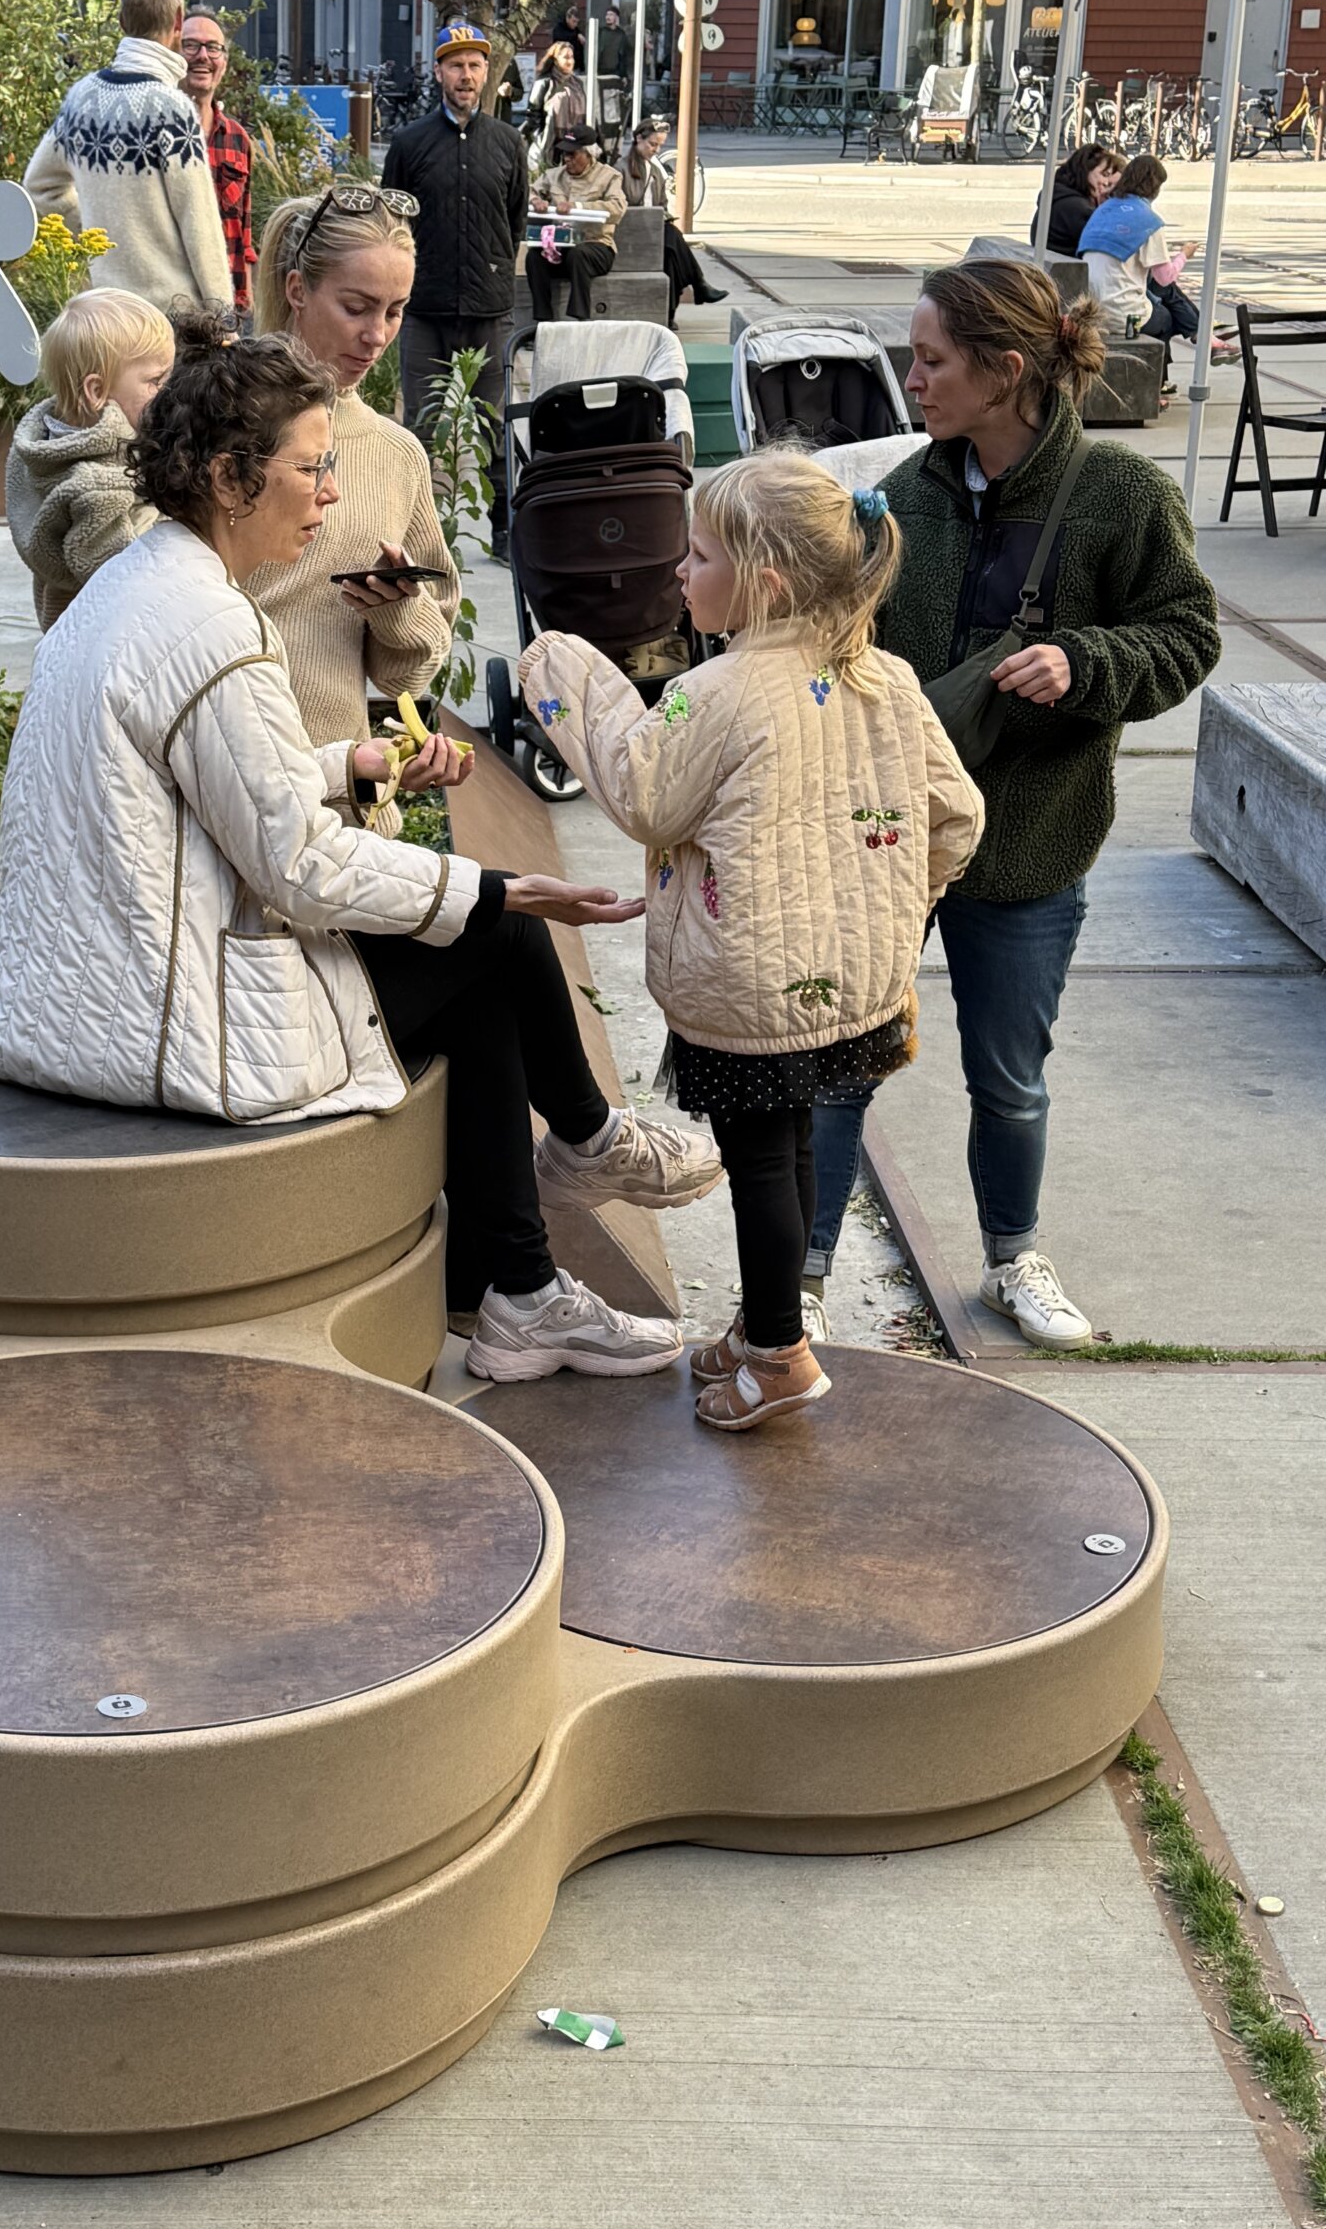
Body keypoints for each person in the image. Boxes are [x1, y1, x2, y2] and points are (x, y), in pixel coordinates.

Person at [0, 326, 726, 1380]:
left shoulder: (133, 587)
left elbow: (213, 788)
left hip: (85, 996)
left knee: (479, 941)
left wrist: (355, 765)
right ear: (229, 478)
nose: (331, 494)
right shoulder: (210, 626)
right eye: (310, 467)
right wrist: (495, 885)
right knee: (495, 935)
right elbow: (301, 867)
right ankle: (568, 1194)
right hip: (168, 1024)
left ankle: (530, 1276)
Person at [803, 260, 1221, 1348]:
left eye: (932, 360)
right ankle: (800, 1278)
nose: (912, 378)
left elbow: (1188, 635)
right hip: (891, 842)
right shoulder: (904, 497)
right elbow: (838, 647)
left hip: (1033, 840)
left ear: (1006, 370)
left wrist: (1086, 661)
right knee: (838, 1063)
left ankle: (1010, 1259)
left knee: (1010, 1078)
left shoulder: (1123, 496)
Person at [519, 455, 983, 1428]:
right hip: (851, 986)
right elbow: (958, 817)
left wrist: (567, 682)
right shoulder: (888, 680)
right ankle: (771, 1318)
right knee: (795, 1143)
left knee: (761, 1161)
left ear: (763, 580)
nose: (678, 573)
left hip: (746, 987)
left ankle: (779, 1356)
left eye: (697, 556)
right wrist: (900, 907)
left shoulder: (715, 692)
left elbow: (645, 798)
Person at [247, 186, 456, 838]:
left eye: (396, 311)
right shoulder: (217, 428)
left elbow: (406, 677)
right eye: (357, 307)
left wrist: (398, 611)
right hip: (225, 805)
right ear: (297, 289)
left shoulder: (395, 454)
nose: (377, 335)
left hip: (345, 815)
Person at [383, 19, 529, 564]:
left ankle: (504, 532)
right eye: (455, 65)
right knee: (421, 430)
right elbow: (391, 224)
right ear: (438, 72)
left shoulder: (508, 143)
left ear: (486, 73)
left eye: (474, 65)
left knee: (493, 429)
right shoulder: (409, 144)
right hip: (424, 308)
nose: (465, 75)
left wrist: (492, 269)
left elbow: (514, 221)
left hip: (489, 311)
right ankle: (420, 538)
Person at [23, 0, 233, 317]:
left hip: (106, 310)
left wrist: (96, 234)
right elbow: (199, 224)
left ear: (121, 21)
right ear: (178, 21)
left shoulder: (81, 100)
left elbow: (39, 187)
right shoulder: (172, 110)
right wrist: (223, 318)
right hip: (172, 319)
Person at [6, 290, 173, 632]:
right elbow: (124, 577)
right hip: (105, 637)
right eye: (155, 381)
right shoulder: (93, 485)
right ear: (96, 392)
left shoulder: (47, 443)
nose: (168, 392)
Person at [1077, 153, 1239, 378]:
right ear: (1155, 188)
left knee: (1165, 294)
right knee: (1166, 319)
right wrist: (1184, 255)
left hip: (1092, 309)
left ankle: (1205, 335)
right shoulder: (1148, 221)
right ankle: (1162, 377)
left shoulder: (1102, 211)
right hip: (1123, 317)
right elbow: (1165, 277)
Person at [180, 8, 256, 320]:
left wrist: (246, 296)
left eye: (213, 48)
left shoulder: (238, 139)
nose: (203, 56)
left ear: (224, 60)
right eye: (190, 45)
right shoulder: (154, 133)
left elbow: (244, 231)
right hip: (173, 303)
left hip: (227, 305)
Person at [618, 117, 727, 313]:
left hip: (653, 227)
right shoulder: (621, 168)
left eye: (659, 145)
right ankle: (699, 284)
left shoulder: (655, 170)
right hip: (631, 229)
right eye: (653, 144)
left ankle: (671, 310)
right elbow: (619, 205)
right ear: (638, 139)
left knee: (671, 254)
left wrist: (662, 218)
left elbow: (662, 204)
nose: (656, 150)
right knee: (673, 236)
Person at [527, 126, 622, 325]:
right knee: (535, 257)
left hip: (597, 245)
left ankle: (580, 318)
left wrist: (577, 206)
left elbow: (617, 207)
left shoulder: (609, 176)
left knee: (578, 254)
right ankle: (543, 320)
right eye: (564, 154)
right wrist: (535, 200)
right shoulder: (554, 175)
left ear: (589, 154)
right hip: (560, 247)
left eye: (572, 154)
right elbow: (529, 191)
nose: (567, 159)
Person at [1033, 143, 1125, 257]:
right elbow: (1109, 244)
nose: (1106, 183)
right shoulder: (1076, 208)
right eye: (1104, 174)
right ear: (1086, 170)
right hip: (1068, 266)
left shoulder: (1059, 196)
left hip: (1053, 262)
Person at [523, 39, 585, 174]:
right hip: (550, 145)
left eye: (572, 57)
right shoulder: (544, 83)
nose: (570, 61)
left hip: (573, 143)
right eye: (566, 57)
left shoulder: (578, 84)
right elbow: (532, 115)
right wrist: (539, 139)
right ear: (555, 60)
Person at [597, 4, 633, 87]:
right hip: (601, 71)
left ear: (616, 17)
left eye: (611, 15)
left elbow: (623, 56)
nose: (608, 17)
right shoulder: (601, 32)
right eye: (607, 15)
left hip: (615, 72)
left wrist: (624, 75)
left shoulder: (621, 34)